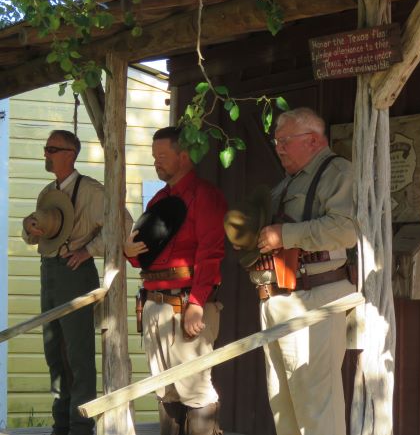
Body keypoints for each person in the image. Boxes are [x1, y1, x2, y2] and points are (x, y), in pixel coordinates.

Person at [238, 107, 356, 435]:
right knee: (284, 404)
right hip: (278, 297)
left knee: (316, 405)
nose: (278, 148)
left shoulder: (338, 172)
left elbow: (345, 230)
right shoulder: (289, 182)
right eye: (276, 142)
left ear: (313, 140)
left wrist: (284, 235)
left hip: (313, 298)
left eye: (284, 141)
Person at [22, 129, 132, 435]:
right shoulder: (49, 192)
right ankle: (62, 424)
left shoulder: (91, 191)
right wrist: (30, 228)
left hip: (75, 273)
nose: (45, 154)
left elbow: (123, 223)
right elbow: (34, 236)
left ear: (70, 154)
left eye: (52, 149)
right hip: (49, 271)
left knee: (78, 354)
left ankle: (81, 426)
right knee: (54, 352)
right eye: (45, 149)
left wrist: (89, 250)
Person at [124, 126, 227, 435]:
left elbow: (210, 253)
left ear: (183, 156)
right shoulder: (158, 199)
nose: (156, 162)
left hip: (185, 305)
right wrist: (129, 251)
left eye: (162, 156)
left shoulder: (205, 196)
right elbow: (143, 256)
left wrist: (197, 303)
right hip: (154, 304)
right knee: (165, 389)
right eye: (154, 156)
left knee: (195, 390)